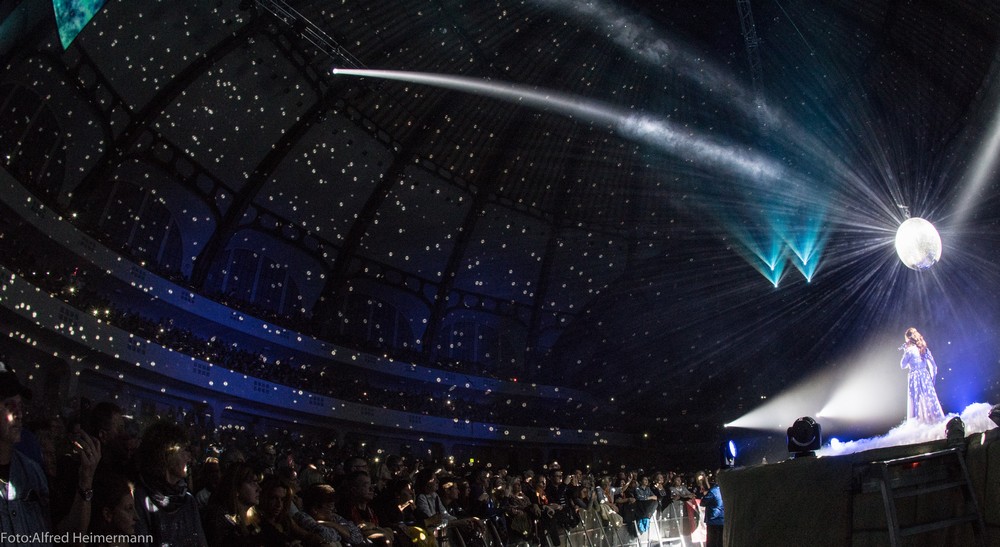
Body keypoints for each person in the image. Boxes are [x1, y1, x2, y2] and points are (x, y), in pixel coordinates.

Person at [900, 327, 945, 423]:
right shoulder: (924, 349)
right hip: (925, 376)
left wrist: (905, 350)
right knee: (929, 398)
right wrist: (932, 380)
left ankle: (919, 422)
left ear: (908, 339)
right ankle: (933, 420)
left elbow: (902, 365)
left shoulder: (909, 351)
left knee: (916, 401)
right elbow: (934, 367)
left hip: (914, 377)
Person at [700, 471, 723, 547]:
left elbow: (702, 502)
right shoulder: (727, 489)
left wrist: (705, 493)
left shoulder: (714, 491)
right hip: (723, 519)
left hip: (713, 519)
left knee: (712, 542)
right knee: (721, 542)